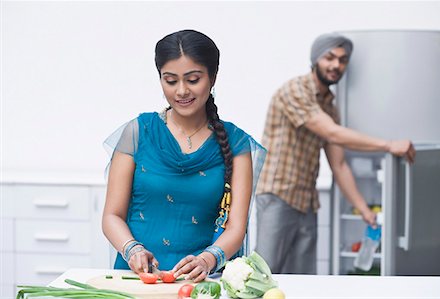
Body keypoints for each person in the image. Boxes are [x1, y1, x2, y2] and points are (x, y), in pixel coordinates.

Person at [102, 29, 265, 282]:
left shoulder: (236, 143)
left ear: (213, 77)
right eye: (170, 80)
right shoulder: (138, 132)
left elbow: (236, 227)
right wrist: (132, 249)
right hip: (138, 278)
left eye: (192, 79)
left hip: (201, 282)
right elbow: (112, 215)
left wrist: (208, 259)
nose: (181, 91)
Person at [255, 32, 416, 274]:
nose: (336, 65)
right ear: (315, 59)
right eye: (329, 57)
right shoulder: (295, 90)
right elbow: (332, 133)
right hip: (278, 195)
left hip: (307, 201)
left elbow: (339, 165)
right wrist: (389, 145)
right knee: (262, 273)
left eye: (342, 60)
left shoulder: (329, 105)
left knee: (301, 279)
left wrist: (363, 209)